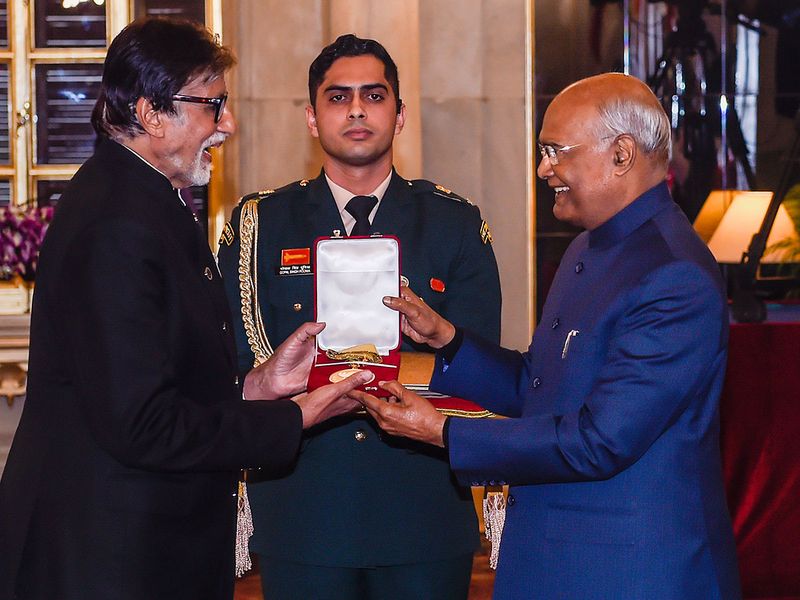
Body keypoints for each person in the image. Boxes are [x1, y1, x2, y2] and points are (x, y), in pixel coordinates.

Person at [0, 18, 370, 600]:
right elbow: (143, 425)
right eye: (213, 105)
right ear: (150, 114)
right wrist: (293, 418)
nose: (228, 125)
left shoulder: (144, 198)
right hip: (110, 557)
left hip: (139, 544)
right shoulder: (117, 223)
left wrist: (256, 384)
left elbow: (159, 373)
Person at [355, 73, 742, 599]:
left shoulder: (674, 276)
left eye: (555, 151)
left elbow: (599, 441)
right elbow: (538, 387)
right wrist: (447, 338)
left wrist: (443, 432)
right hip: (554, 558)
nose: (544, 170)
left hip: (631, 570)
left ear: (622, 154)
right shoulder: (589, 249)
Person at [217, 34, 501, 600]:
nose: (355, 110)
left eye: (374, 96)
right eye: (337, 97)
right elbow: (233, 363)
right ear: (312, 119)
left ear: (399, 116)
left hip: (420, 511)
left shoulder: (453, 222)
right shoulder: (258, 225)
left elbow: (483, 366)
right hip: (304, 511)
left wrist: (431, 344)